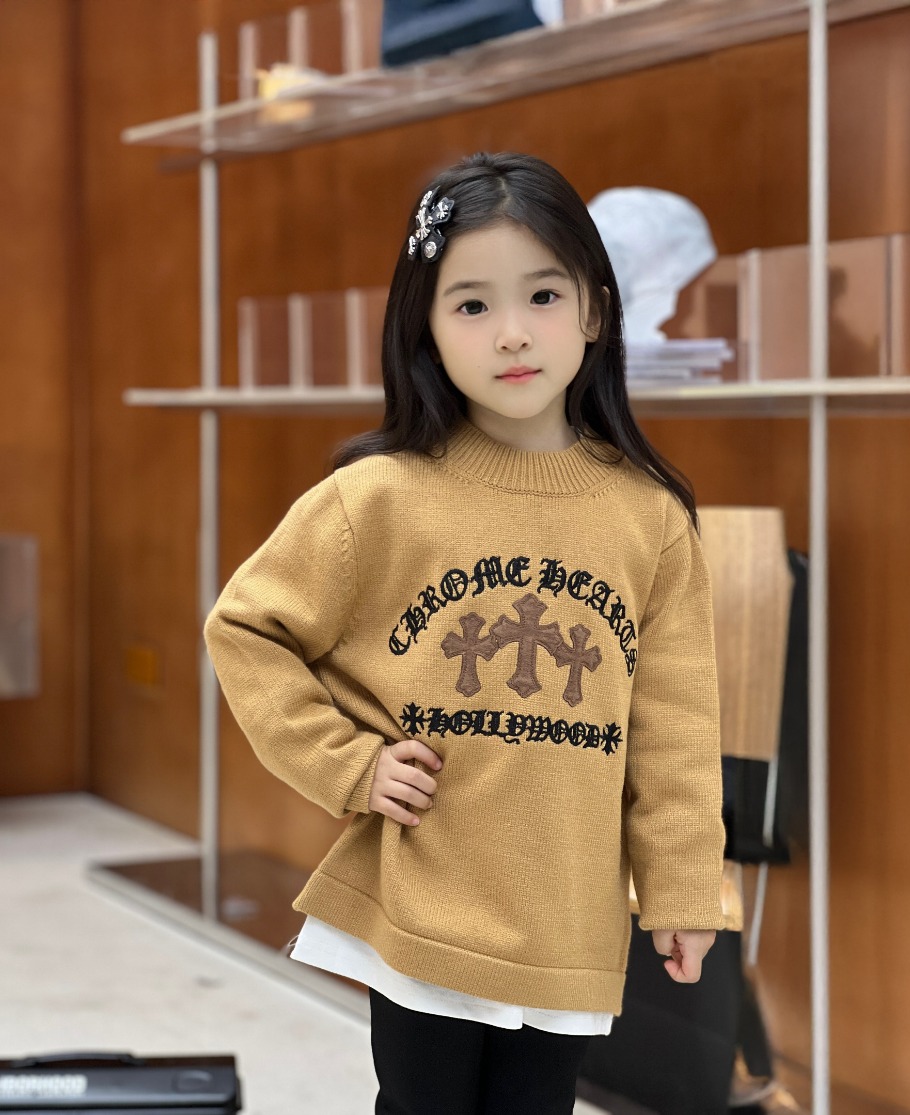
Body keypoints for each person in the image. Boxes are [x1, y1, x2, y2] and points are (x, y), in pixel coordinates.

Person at [204, 151, 726, 1115]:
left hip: (568, 916)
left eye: (543, 295)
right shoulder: (377, 497)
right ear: (427, 329)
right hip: (425, 899)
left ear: (596, 310)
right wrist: (348, 764)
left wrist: (685, 885)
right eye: (472, 304)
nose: (512, 332)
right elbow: (246, 628)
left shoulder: (650, 517)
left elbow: (676, 727)